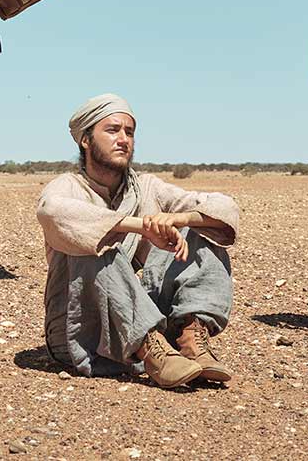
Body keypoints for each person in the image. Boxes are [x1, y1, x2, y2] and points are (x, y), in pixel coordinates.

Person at [35, 94, 241, 389]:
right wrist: (141, 227)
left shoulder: (145, 188)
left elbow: (225, 207)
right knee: (94, 242)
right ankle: (149, 348)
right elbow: (52, 212)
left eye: (129, 132)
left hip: (138, 316)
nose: (123, 140)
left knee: (200, 227)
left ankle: (189, 337)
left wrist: (180, 220)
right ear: (85, 140)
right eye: (112, 130)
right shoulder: (67, 187)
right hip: (79, 328)